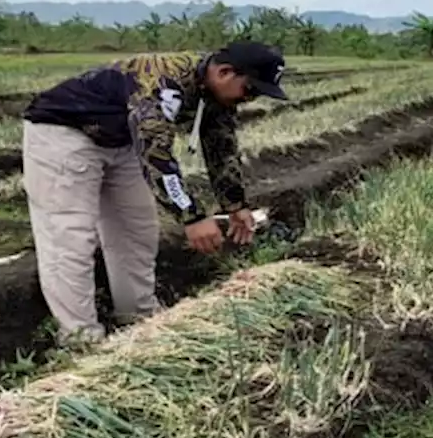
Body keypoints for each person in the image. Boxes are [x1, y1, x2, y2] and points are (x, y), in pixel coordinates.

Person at [19, 41, 288, 344]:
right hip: (65, 133)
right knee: (71, 235)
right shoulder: (164, 83)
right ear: (224, 72)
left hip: (120, 141)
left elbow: (221, 147)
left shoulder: (214, 95)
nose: (248, 100)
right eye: (250, 90)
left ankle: (139, 321)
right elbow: (155, 152)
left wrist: (235, 205)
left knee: (137, 230)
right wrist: (192, 216)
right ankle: (81, 340)